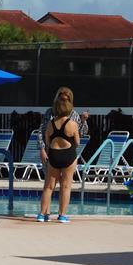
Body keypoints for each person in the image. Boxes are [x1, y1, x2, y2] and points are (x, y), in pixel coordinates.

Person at [37, 87, 85, 223]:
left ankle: (42, 215)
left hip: (53, 154)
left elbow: (47, 141)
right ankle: (62, 215)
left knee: (48, 186)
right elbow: (77, 142)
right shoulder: (72, 123)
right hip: (68, 154)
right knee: (66, 186)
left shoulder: (50, 123)